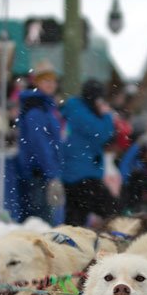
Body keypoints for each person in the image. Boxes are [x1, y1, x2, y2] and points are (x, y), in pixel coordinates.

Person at [61, 79, 116, 227]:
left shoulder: (75, 108)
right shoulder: (80, 112)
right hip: (82, 173)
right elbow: (103, 133)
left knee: (75, 217)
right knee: (111, 211)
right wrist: (107, 115)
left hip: (77, 172)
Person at [15, 60, 63, 225]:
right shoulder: (36, 109)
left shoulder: (45, 107)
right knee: (41, 222)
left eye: (52, 80)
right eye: (45, 80)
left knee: (42, 220)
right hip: (39, 174)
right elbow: (40, 145)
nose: (50, 84)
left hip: (43, 173)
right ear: (37, 82)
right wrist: (51, 173)